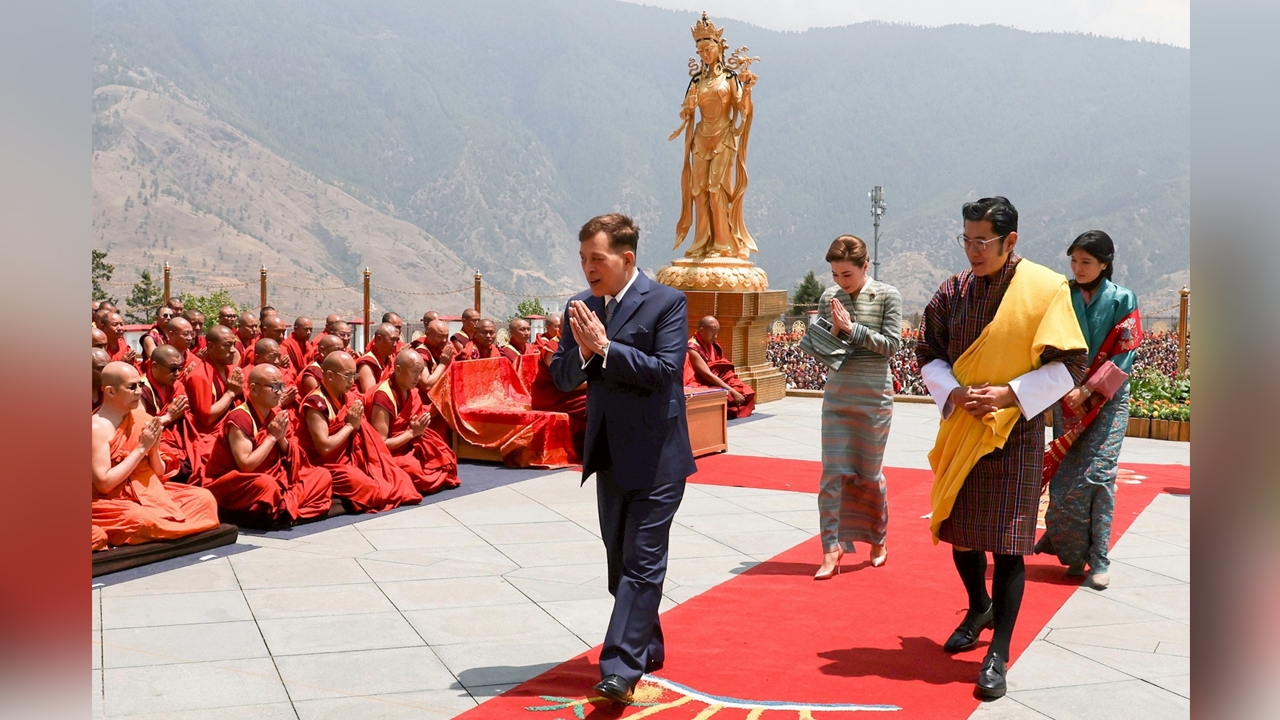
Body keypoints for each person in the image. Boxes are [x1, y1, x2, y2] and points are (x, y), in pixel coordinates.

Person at [917, 197, 1087, 698]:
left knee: (1009, 544)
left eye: (983, 241)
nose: (973, 251)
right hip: (964, 427)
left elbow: (1071, 364)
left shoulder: (1045, 289)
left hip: (1016, 432)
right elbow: (928, 351)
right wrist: (953, 392)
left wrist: (1010, 394)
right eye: (967, 240)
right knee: (961, 530)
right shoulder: (952, 291)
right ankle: (978, 607)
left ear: (1010, 240)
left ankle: (999, 652)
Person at [550, 213, 697, 703]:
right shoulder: (580, 307)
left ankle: (619, 668)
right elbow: (562, 376)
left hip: (658, 458)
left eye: (597, 258)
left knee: (642, 562)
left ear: (626, 257)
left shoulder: (666, 302)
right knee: (619, 564)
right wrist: (585, 353)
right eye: (583, 259)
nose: (588, 268)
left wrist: (606, 347)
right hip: (609, 455)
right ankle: (647, 645)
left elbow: (665, 371)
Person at [1038, 231, 1143, 589]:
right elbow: (1049, 346)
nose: (1078, 268)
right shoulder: (1062, 295)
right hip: (1067, 399)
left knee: (1099, 475)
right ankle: (1073, 550)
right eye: (1074, 261)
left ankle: (1099, 558)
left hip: (1107, 400)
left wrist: (1089, 389)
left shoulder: (1123, 299)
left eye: (1086, 262)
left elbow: (1125, 351)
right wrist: (1066, 386)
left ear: (1104, 263)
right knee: (1067, 479)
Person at [812, 236, 902, 578]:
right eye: (835, 275)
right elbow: (824, 353)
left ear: (865, 266)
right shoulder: (829, 298)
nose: (841, 281)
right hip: (838, 396)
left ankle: (877, 538)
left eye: (847, 274)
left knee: (869, 474)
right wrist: (835, 332)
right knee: (831, 474)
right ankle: (830, 547)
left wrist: (852, 329)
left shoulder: (888, 295)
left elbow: (892, 345)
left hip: (873, 397)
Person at [91, 362, 220, 548]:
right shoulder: (96, 428)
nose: (138, 392)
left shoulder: (142, 419)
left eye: (140, 385)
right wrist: (141, 449)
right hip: (111, 500)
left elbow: (158, 472)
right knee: (138, 518)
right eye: (132, 387)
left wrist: (152, 450)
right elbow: (104, 484)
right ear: (110, 391)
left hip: (148, 491)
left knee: (204, 499)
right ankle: (164, 528)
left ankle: (163, 529)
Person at [198, 363, 333, 528]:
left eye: (281, 386)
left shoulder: (275, 413)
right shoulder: (240, 418)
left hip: (277, 478)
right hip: (238, 483)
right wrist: (271, 437)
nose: (280, 392)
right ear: (254, 389)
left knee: (321, 475)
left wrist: (281, 439)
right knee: (266, 484)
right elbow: (246, 465)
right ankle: (282, 506)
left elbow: (294, 456)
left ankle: (281, 507)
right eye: (274, 387)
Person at [297, 351, 422, 513]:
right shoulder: (316, 404)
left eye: (354, 375)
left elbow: (365, 435)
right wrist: (350, 426)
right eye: (347, 376)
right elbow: (324, 447)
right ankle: (338, 502)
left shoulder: (349, 398)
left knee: (399, 479)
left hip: (352, 458)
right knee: (371, 488)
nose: (352, 381)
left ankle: (343, 500)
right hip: (323, 464)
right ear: (329, 376)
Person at [366, 349, 460, 495]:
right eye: (415, 372)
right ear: (398, 369)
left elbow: (416, 418)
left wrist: (432, 411)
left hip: (409, 443)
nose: (419, 377)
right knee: (414, 471)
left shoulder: (411, 391)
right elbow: (381, 444)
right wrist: (412, 433)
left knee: (445, 457)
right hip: (390, 452)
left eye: (421, 372)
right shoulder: (383, 397)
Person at [138, 345, 193, 477]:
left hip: (178, 438)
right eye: (173, 369)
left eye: (180, 368)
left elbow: (188, 418)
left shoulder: (177, 386)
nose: (177, 373)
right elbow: (140, 428)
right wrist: (168, 417)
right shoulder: (140, 389)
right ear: (155, 366)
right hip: (154, 442)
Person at [686, 316, 756, 419]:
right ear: (702, 330)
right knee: (728, 396)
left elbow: (721, 366)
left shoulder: (713, 345)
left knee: (746, 391)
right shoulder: (692, 348)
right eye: (713, 333)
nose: (715, 337)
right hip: (705, 382)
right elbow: (707, 375)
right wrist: (731, 390)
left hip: (720, 379)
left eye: (717, 333)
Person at [299, 334, 347, 399]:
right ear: (322, 351)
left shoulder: (340, 369)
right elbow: (318, 401)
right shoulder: (312, 375)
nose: (340, 354)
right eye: (336, 350)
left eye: (342, 351)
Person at [357, 323, 400, 392]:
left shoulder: (391, 361)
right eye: (392, 339)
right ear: (379, 338)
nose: (395, 344)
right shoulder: (367, 364)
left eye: (397, 340)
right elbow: (370, 393)